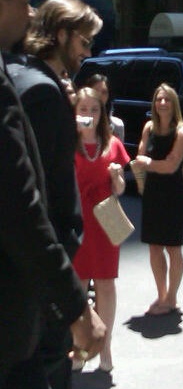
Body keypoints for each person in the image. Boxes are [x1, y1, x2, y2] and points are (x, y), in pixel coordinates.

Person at [0, 0, 106, 389]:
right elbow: (25, 206)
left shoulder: (20, 75)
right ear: (62, 35)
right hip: (27, 301)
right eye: (85, 41)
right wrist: (73, 304)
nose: (88, 53)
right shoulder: (40, 92)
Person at [73, 87, 130, 373]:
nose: (89, 115)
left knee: (106, 285)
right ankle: (80, 347)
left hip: (105, 222)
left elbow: (120, 189)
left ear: (102, 114)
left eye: (94, 110)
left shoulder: (112, 144)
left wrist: (117, 178)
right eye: (83, 109)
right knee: (79, 286)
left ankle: (105, 346)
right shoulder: (67, 144)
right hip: (77, 222)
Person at [132, 83, 183, 316]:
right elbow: (140, 155)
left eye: (167, 99)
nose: (162, 103)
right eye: (159, 99)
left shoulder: (182, 131)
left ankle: (172, 297)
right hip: (153, 192)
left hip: (173, 193)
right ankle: (162, 295)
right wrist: (145, 163)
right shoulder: (149, 128)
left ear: (174, 103)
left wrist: (148, 163)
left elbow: (170, 165)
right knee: (155, 247)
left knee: (173, 248)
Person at [82, 72, 125, 141]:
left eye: (104, 92)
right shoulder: (80, 122)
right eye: (95, 91)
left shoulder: (117, 125)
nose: (100, 95)